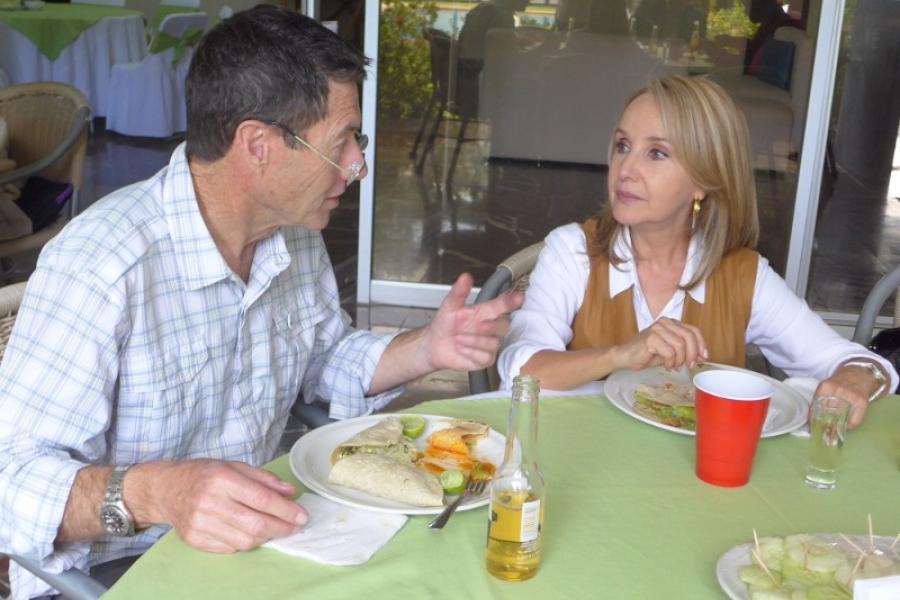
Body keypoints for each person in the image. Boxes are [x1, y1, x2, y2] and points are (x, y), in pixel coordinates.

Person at [0, 7, 522, 599]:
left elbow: (323, 359)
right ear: (257, 146)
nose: (359, 165)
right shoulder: (103, 266)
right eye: (342, 142)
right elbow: (8, 482)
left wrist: (426, 348)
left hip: (261, 550)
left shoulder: (293, 236)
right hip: (118, 573)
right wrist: (158, 494)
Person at [497, 75, 896, 427]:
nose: (626, 169)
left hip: (700, 484)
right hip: (582, 469)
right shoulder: (573, 252)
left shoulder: (741, 275)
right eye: (623, 145)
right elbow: (522, 368)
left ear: (704, 181)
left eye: (656, 153)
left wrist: (857, 379)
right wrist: (619, 355)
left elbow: (855, 363)